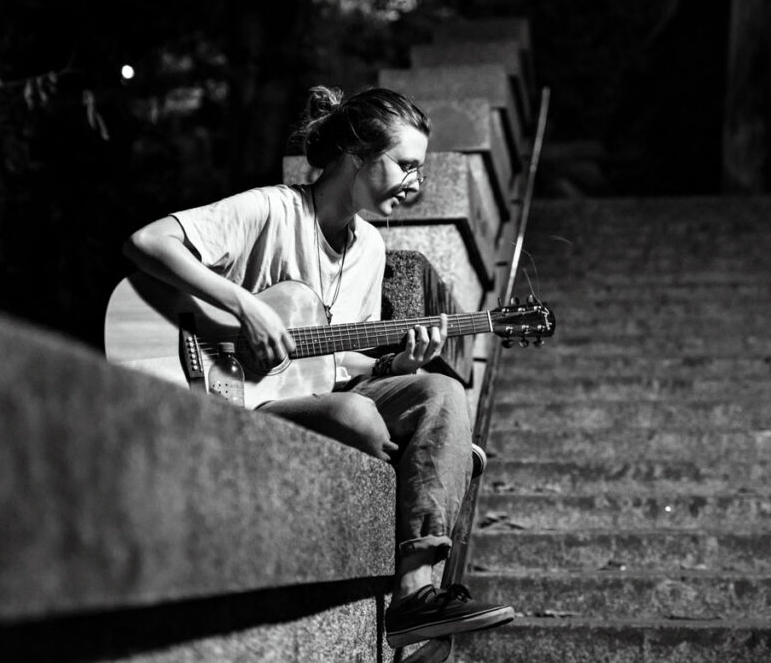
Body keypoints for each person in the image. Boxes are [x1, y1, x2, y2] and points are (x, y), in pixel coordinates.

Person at [122, 85, 514, 648]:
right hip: (228, 394)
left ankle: (416, 594)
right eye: (405, 164)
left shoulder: (372, 249)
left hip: (310, 394)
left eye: (421, 169)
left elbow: (332, 358)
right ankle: (435, 460)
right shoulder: (271, 209)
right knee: (358, 417)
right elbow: (147, 242)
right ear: (357, 157)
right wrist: (245, 306)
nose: (416, 182)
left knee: (442, 394)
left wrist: (400, 362)